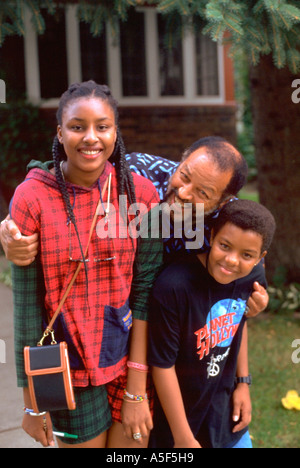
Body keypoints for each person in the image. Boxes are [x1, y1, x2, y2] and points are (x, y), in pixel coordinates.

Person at [9, 80, 160, 448]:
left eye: (102, 126)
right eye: (78, 127)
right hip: (69, 371)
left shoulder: (140, 194)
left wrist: (137, 390)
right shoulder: (32, 197)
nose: (90, 137)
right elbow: (27, 310)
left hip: (129, 361)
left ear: (115, 132)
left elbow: (144, 294)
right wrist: (32, 405)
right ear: (60, 133)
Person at [1, 138, 269, 318]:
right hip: (107, 302)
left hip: (169, 317)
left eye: (203, 192)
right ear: (182, 160)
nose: (185, 193)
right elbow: (63, 183)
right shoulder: (137, 170)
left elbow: (251, 263)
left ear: (223, 200)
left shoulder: (228, 218)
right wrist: (11, 228)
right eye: (184, 176)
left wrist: (252, 299)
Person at [148, 199, 276, 449]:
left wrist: (243, 383)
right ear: (212, 235)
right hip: (178, 417)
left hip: (223, 409)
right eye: (224, 246)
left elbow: (239, 321)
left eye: (247, 255)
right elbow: (162, 366)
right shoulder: (173, 287)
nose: (231, 260)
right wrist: (183, 438)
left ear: (260, 258)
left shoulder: (252, 277)